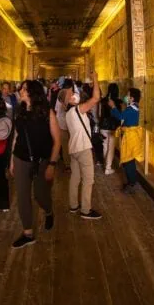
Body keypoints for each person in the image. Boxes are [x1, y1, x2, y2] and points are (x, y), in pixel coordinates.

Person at [10, 80, 61, 248]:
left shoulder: (47, 113)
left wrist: (52, 164)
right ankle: (28, 233)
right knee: (23, 196)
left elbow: (57, 141)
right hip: (21, 159)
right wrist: (12, 160)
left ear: (32, 92)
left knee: (40, 195)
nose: (21, 91)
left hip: (41, 161)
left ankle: (48, 211)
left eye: (24, 89)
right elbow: (16, 137)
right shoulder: (19, 111)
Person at [66, 73, 103, 219]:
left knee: (75, 177)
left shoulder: (68, 113)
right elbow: (96, 98)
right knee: (88, 179)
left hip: (73, 148)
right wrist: (95, 79)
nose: (75, 95)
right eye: (72, 95)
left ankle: (73, 205)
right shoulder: (78, 109)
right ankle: (86, 210)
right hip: (83, 148)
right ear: (71, 101)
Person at [110, 87, 142, 193]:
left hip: (130, 138)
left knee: (128, 161)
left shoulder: (130, 109)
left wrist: (113, 107)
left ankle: (131, 183)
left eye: (128, 95)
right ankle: (132, 181)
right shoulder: (134, 108)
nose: (126, 97)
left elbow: (120, 116)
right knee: (130, 160)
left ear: (132, 98)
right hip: (131, 137)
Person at [100, 83, 120, 174]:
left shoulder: (103, 100)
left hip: (103, 126)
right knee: (111, 148)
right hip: (112, 127)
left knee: (105, 146)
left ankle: (105, 164)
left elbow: (100, 114)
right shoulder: (117, 102)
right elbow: (118, 116)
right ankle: (108, 168)